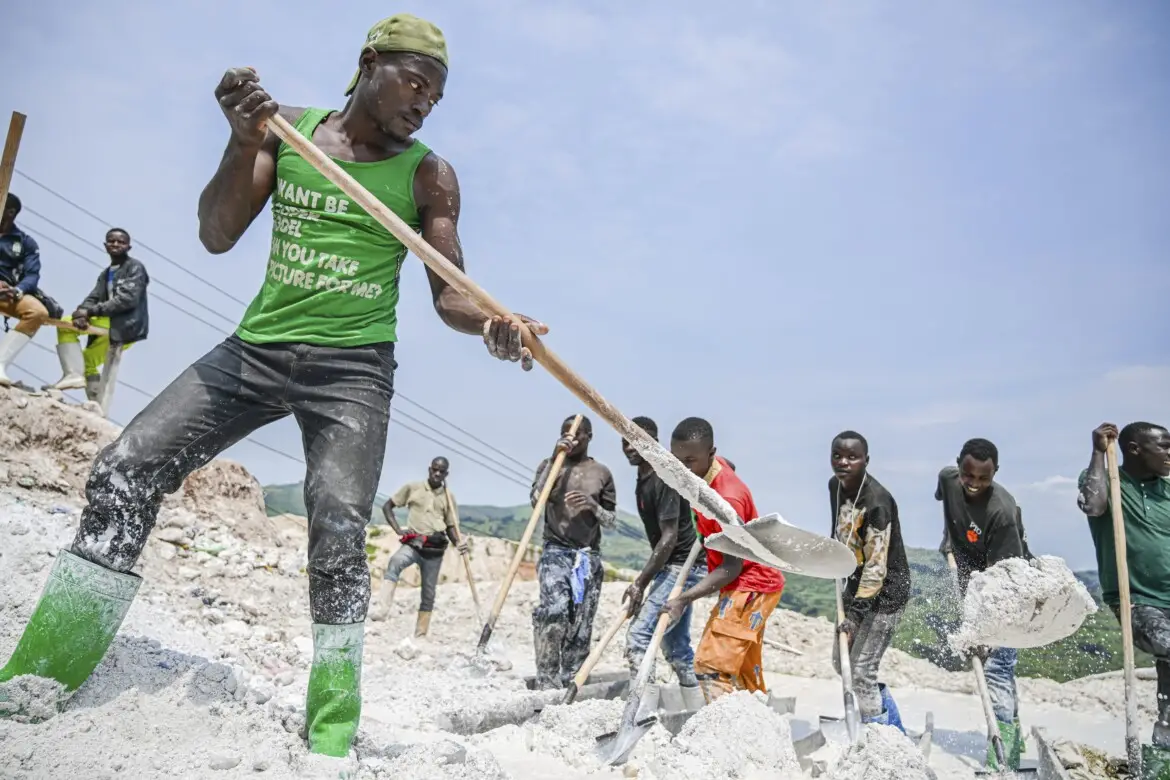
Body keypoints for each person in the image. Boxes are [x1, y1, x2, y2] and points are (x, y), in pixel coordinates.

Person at [0, 14, 547, 760]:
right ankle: (43, 673)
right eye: (416, 84)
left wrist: (493, 322)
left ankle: (331, 732)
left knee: (339, 527)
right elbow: (216, 233)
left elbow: (450, 291)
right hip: (257, 350)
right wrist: (242, 139)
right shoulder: (284, 132)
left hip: (353, 371)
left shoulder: (428, 175)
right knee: (126, 468)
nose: (425, 104)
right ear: (369, 64)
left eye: (436, 97)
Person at [663, 417, 785, 703]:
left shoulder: (727, 500)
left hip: (751, 583)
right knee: (743, 676)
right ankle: (755, 723)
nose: (683, 470)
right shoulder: (707, 471)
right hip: (746, 581)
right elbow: (729, 464)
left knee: (711, 667)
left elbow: (731, 567)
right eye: (677, 461)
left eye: (690, 461)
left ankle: (721, 727)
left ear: (711, 453)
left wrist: (684, 599)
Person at [1077, 422, 1170, 764]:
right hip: (1138, 600)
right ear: (1134, 450)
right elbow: (1093, 505)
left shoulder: (1168, 491)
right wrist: (1099, 452)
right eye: (1164, 447)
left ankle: (1164, 746)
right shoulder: (1109, 481)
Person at [936, 437, 1031, 770]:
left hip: (1008, 590)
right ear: (958, 465)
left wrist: (987, 633)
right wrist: (949, 538)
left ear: (996, 472)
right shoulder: (948, 479)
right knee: (1000, 670)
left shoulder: (1001, 512)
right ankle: (1013, 740)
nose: (974, 483)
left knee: (997, 669)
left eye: (983, 478)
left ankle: (1003, 758)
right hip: (972, 582)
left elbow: (1004, 583)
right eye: (968, 475)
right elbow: (948, 502)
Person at [620, 416, 706, 709]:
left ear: (653, 442)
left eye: (636, 440)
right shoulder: (644, 477)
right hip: (675, 566)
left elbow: (669, 538)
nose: (629, 447)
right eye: (625, 441)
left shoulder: (663, 475)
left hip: (684, 566)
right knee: (676, 647)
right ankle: (697, 713)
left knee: (639, 637)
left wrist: (639, 584)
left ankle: (641, 713)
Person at [828, 431, 911, 731]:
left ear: (866, 460)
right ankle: (891, 725)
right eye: (837, 455)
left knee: (861, 673)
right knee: (842, 663)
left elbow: (876, 568)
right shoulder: (835, 486)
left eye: (852, 457)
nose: (843, 462)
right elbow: (840, 532)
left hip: (885, 593)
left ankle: (881, 738)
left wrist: (854, 617)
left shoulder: (877, 502)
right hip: (855, 585)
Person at [530, 414, 616, 690]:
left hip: (587, 556)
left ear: (589, 436)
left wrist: (593, 505)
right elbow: (536, 500)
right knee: (554, 610)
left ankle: (571, 682)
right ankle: (547, 679)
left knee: (582, 622)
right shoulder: (550, 465)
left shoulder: (601, 473)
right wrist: (554, 459)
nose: (572, 438)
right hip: (556, 550)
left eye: (578, 434)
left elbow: (611, 521)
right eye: (566, 433)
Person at [44, 228, 150, 401]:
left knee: (65, 325)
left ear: (129, 247)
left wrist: (90, 312)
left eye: (121, 242)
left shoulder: (134, 268)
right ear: (105, 245)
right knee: (87, 360)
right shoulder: (106, 273)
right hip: (109, 322)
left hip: (126, 323)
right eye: (111, 241)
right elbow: (93, 297)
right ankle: (95, 403)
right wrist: (81, 314)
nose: (115, 244)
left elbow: (127, 300)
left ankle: (73, 374)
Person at [370, 456, 467, 636]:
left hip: (434, 550)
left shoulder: (448, 497)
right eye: (434, 469)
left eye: (441, 471)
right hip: (414, 544)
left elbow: (451, 526)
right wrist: (398, 529)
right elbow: (388, 506)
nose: (437, 473)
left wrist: (458, 543)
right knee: (395, 562)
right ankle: (382, 611)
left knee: (428, 593)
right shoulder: (413, 488)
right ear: (429, 469)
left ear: (446, 474)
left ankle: (421, 634)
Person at [0, 193, 53, 386]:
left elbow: (32, 275)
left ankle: (0, 363)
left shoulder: (25, 242)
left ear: (10, 212)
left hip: (6, 292)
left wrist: (17, 290)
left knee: (38, 312)